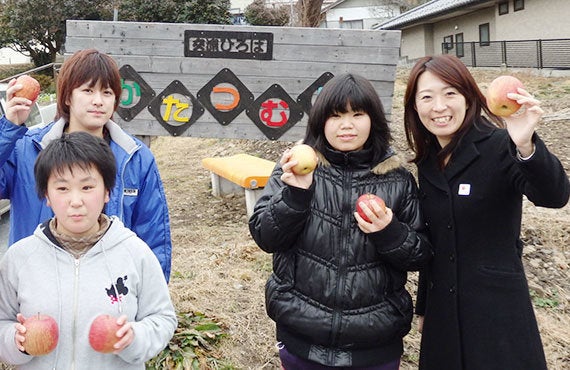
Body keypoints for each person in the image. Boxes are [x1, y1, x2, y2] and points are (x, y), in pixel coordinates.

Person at [249, 73, 432, 369]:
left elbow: (421, 255)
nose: (347, 125)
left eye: (357, 114)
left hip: (375, 345)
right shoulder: (295, 168)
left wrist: (390, 232)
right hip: (302, 339)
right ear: (320, 121)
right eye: (336, 116)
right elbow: (266, 237)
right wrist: (296, 195)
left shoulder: (397, 179)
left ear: (373, 120)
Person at [403, 54, 570, 370]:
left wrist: (526, 146)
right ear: (414, 107)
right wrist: (424, 306)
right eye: (426, 97)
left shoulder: (499, 144)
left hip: (498, 315)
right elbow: (434, 238)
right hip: (444, 318)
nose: (439, 106)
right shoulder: (427, 162)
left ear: (468, 97)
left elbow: (554, 196)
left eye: (450, 93)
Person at [0, 132, 177, 369]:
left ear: (107, 192)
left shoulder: (135, 252)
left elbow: (162, 319)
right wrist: (16, 340)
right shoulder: (19, 258)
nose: (75, 201)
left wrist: (133, 338)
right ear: (46, 196)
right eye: (62, 188)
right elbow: (3, 321)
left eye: (87, 187)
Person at [0, 48, 172, 281]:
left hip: (109, 291)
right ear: (68, 97)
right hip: (36, 286)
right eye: (88, 90)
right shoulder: (27, 148)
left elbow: (153, 236)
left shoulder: (135, 158)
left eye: (107, 92)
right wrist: (8, 130)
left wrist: (150, 299)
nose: (98, 101)